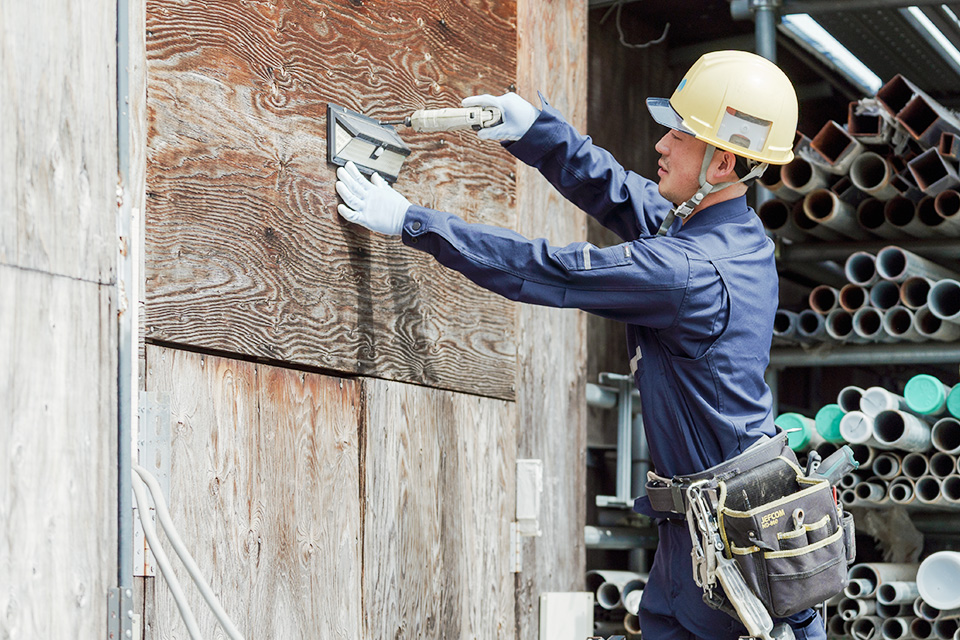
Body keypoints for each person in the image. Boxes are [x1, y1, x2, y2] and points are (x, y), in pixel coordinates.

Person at [335, 50, 824, 640]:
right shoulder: (729, 234)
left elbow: (549, 271)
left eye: (680, 133)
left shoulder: (688, 271)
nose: (662, 144)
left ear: (721, 163)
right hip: (711, 531)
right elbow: (620, 193)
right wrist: (537, 132)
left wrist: (412, 220)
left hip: (735, 554)